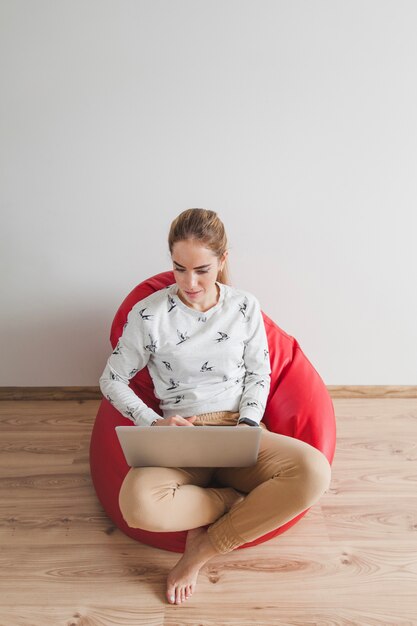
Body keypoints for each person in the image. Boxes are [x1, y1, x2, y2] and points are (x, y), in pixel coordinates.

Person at [99, 208, 332, 606]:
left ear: (223, 260)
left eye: (202, 270)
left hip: (237, 429)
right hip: (181, 435)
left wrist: (248, 423)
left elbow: (261, 373)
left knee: (314, 472)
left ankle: (203, 550)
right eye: (178, 268)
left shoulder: (244, 307)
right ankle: (225, 500)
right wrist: (154, 424)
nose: (190, 283)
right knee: (135, 504)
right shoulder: (149, 314)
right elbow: (111, 380)